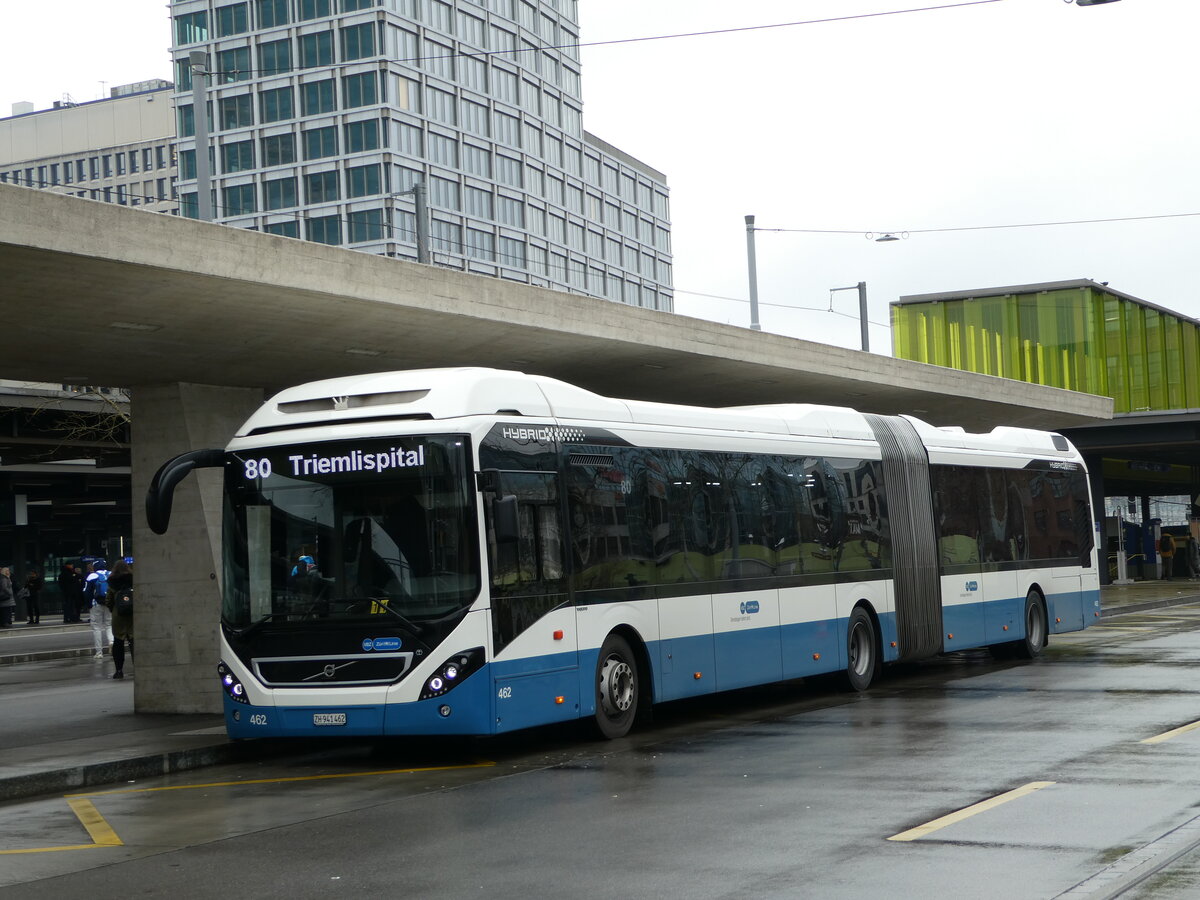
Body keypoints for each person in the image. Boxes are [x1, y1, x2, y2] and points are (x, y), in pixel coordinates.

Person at [105, 561, 133, 679]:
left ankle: (119, 670)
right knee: (134, 642)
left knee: (118, 642)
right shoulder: (133, 580)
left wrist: (114, 609)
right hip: (132, 615)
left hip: (118, 616)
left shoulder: (112, 583)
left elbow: (108, 601)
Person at [84, 560, 112, 658]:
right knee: (109, 625)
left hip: (95, 604)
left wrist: (88, 605)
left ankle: (99, 652)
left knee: (97, 627)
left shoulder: (92, 576)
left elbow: (87, 592)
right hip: (109, 604)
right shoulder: (111, 574)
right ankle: (112, 642)